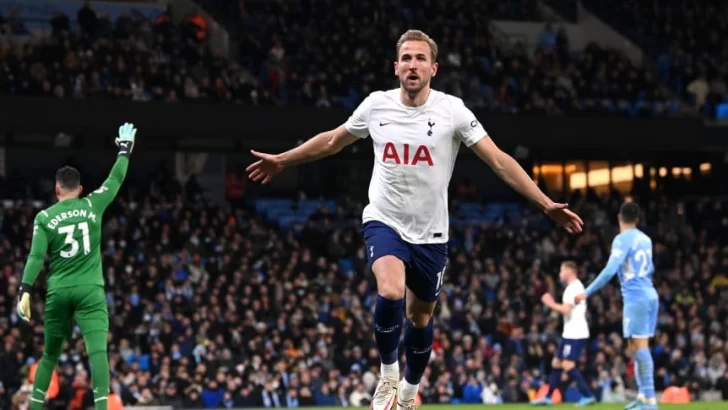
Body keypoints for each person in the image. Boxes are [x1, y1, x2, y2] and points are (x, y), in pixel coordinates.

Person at [246, 29, 583, 410]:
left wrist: (544, 203)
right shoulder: (376, 106)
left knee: (419, 319)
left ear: (433, 68)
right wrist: (283, 160)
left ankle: (408, 392)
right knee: (390, 289)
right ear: (396, 67)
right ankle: (388, 375)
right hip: (384, 219)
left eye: (420, 58)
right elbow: (330, 141)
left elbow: (499, 161)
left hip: (431, 234)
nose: (412, 64)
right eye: (406, 58)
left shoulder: (452, 111)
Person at [16, 123, 137, 410]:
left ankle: (33, 408)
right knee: (98, 353)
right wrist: (125, 150)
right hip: (90, 291)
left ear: (57, 189)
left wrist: (24, 290)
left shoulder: (44, 218)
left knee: (49, 356)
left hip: (59, 291)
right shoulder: (93, 204)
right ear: (80, 189)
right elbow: (115, 179)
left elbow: (35, 257)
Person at [575, 202, 657, 410]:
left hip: (636, 296)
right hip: (649, 293)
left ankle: (650, 400)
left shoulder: (622, 239)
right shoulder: (646, 239)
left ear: (619, 217)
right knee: (634, 347)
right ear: (637, 219)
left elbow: (611, 269)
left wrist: (587, 291)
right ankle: (642, 396)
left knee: (640, 347)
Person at [533, 260, 596, 406]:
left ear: (568, 272)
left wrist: (550, 303)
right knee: (556, 363)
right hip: (569, 332)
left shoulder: (573, 288)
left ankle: (587, 395)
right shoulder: (574, 287)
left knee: (567, 364)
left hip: (575, 332)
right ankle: (548, 397)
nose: (560, 274)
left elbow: (567, 310)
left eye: (562, 271)